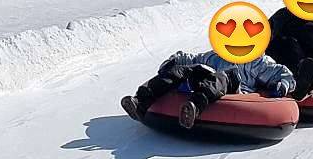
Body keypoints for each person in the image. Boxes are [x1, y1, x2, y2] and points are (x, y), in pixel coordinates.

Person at [122, 47, 295, 129]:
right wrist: (175, 60)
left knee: (228, 75)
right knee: (189, 69)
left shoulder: (259, 61)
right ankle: (141, 101)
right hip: (209, 83)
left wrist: (282, 85)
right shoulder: (217, 55)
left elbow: (283, 74)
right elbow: (191, 58)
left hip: (235, 89)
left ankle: (195, 107)